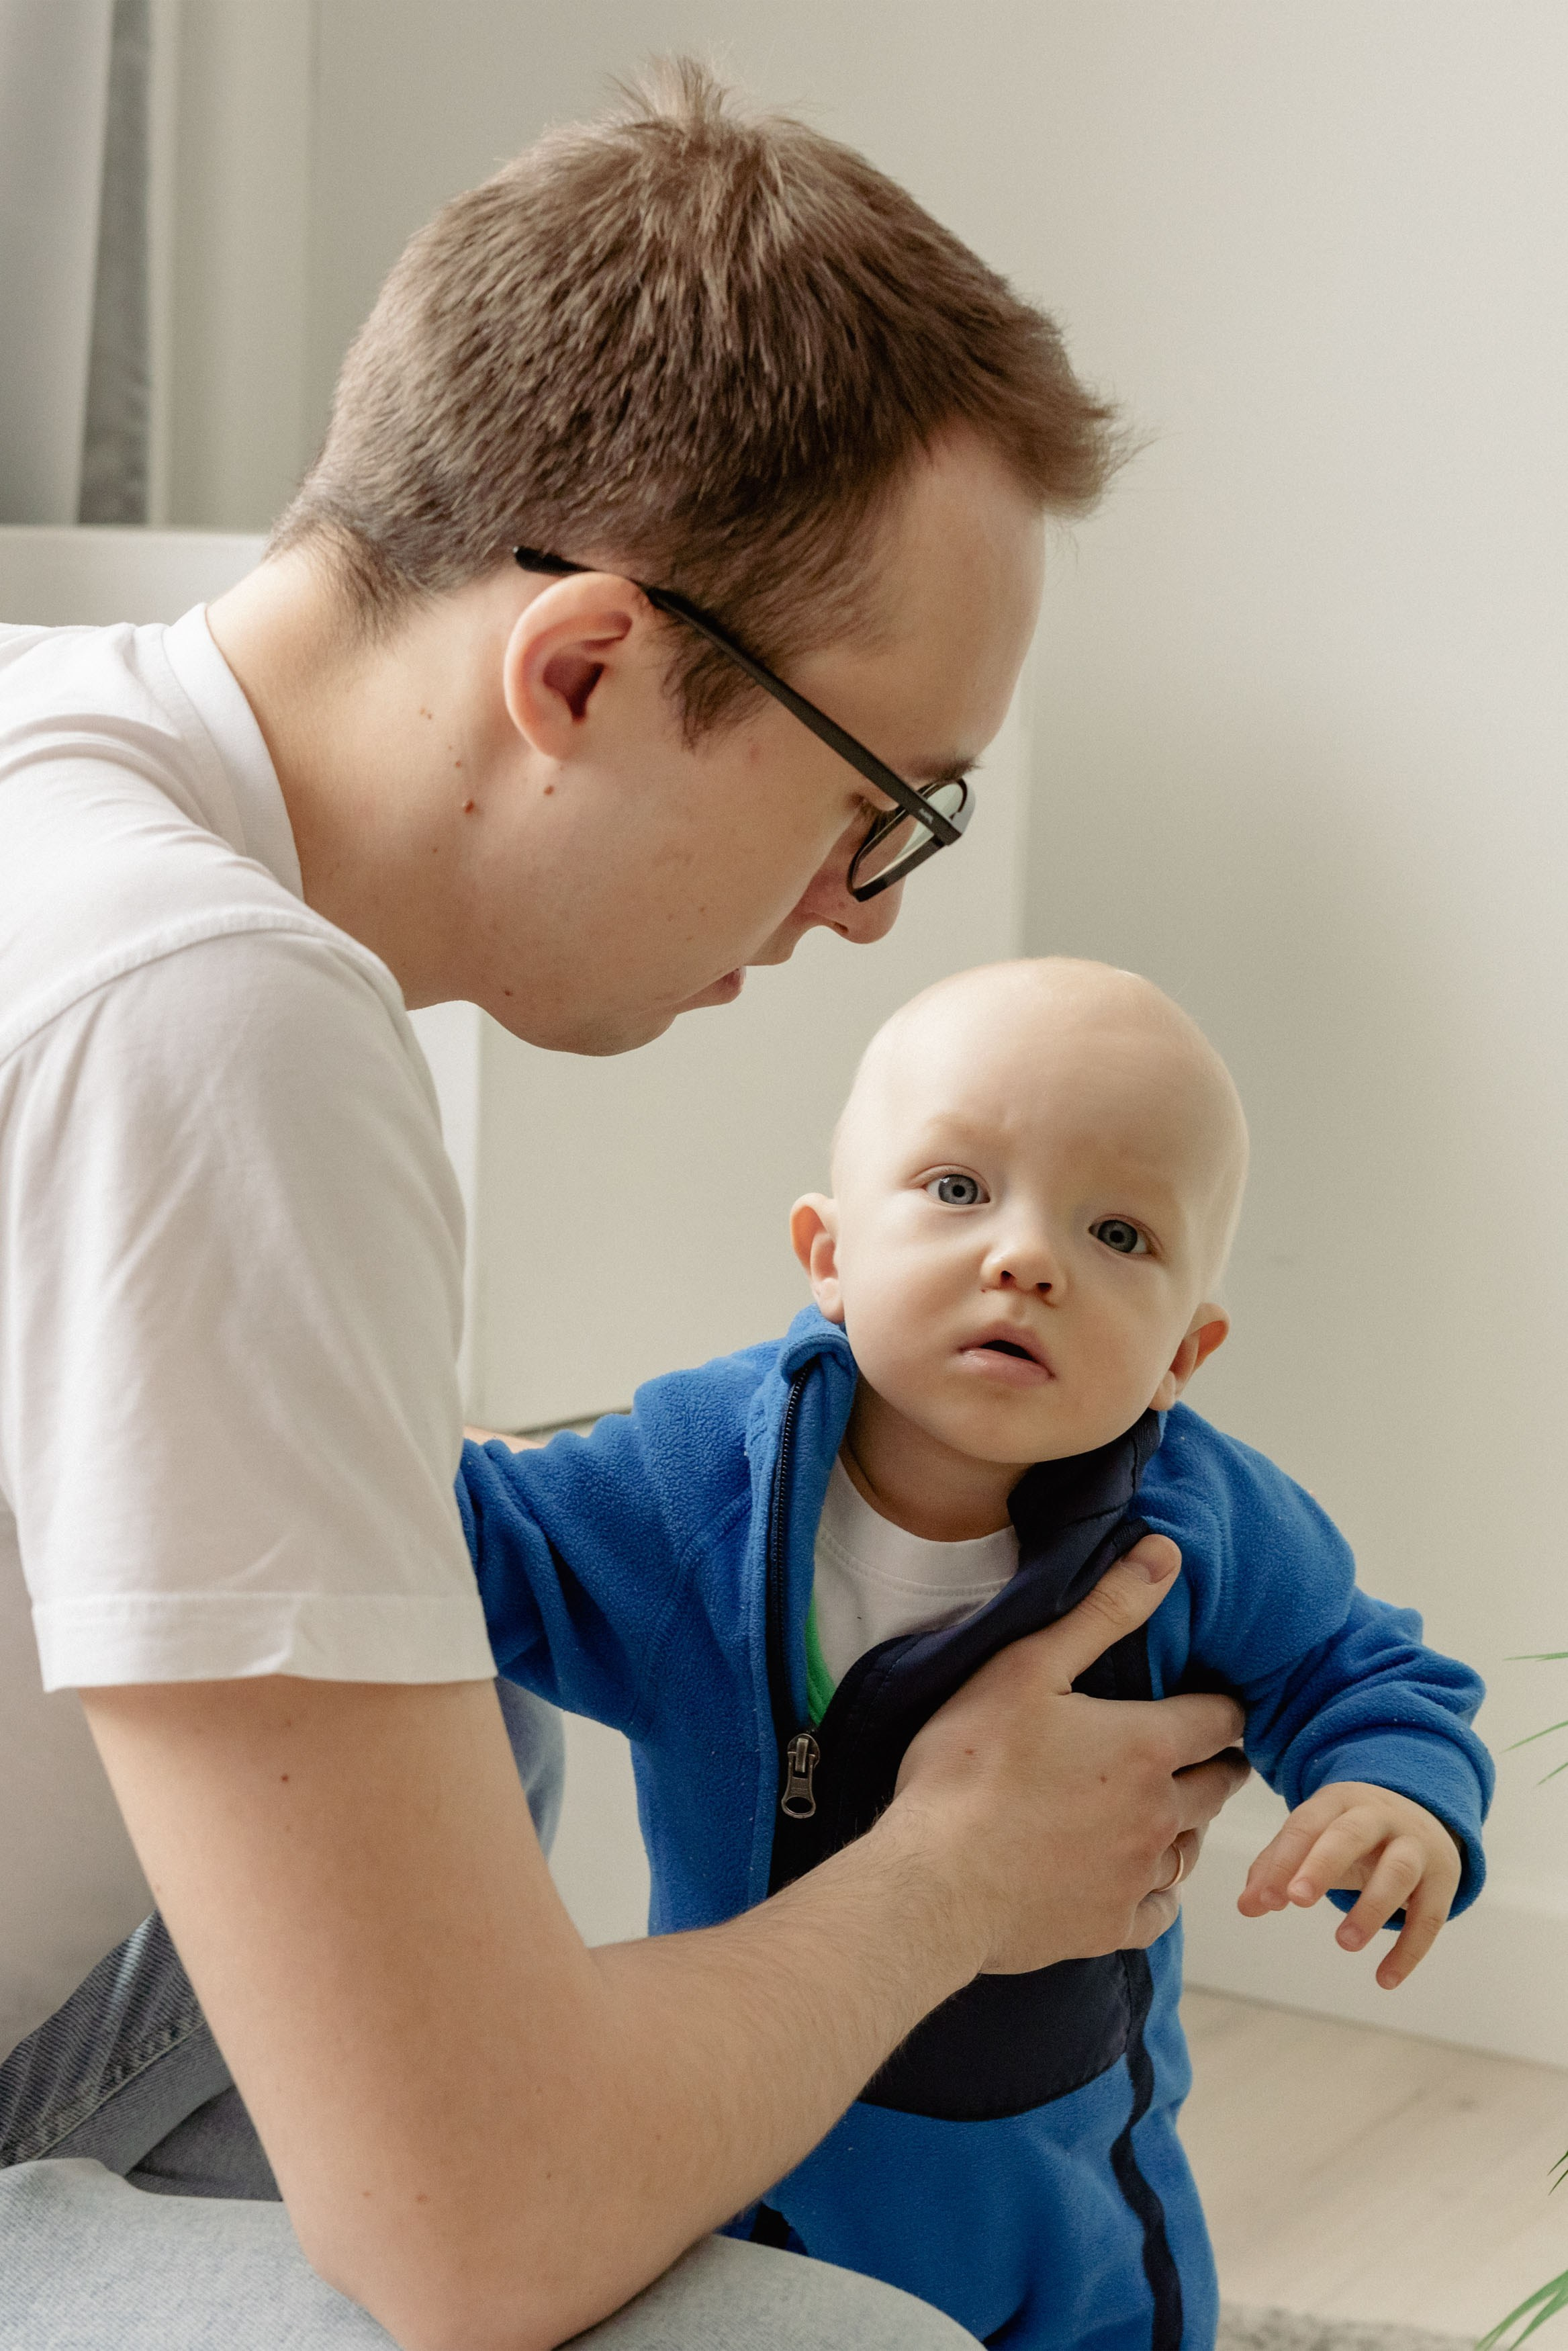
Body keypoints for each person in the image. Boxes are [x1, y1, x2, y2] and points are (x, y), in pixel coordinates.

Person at [0, 64, 1252, 2351]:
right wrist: (945, 1882)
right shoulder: (214, 1017)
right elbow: (479, 2240)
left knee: (468, 1696)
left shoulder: (53, 750)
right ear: (578, 667)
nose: (867, 915)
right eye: (883, 802)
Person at [449, 959, 1492, 2351]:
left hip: (1051, 2156)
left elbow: (1365, 1671)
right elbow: (475, 1544)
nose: (1029, 1256)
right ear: (826, 1254)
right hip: (735, 2130)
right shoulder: (695, 1485)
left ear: (1186, 1348)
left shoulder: (1199, 1525)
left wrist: (1393, 1795)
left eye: (1118, 1232)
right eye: (956, 1189)